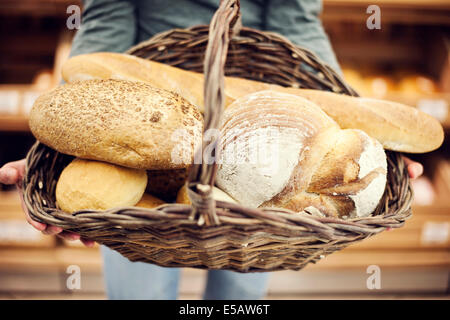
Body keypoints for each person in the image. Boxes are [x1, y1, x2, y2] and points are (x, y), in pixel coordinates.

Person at [0, 0, 424, 299]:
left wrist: (366, 147)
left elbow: (296, 21)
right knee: (140, 288)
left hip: (265, 115)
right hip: (145, 99)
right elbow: (106, 16)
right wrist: (56, 144)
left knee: (242, 289)